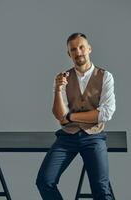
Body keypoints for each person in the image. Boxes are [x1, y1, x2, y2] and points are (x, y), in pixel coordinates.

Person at [36, 33, 116, 200]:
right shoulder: (63, 78)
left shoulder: (105, 77)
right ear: (69, 54)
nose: (78, 52)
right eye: (73, 49)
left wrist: (71, 117)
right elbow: (60, 116)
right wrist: (58, 89)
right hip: (67, 137)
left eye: (81, 47)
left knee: (101, 189)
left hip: (94, 137)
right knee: (44, 181)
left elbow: (105, 113)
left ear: (89, 48)